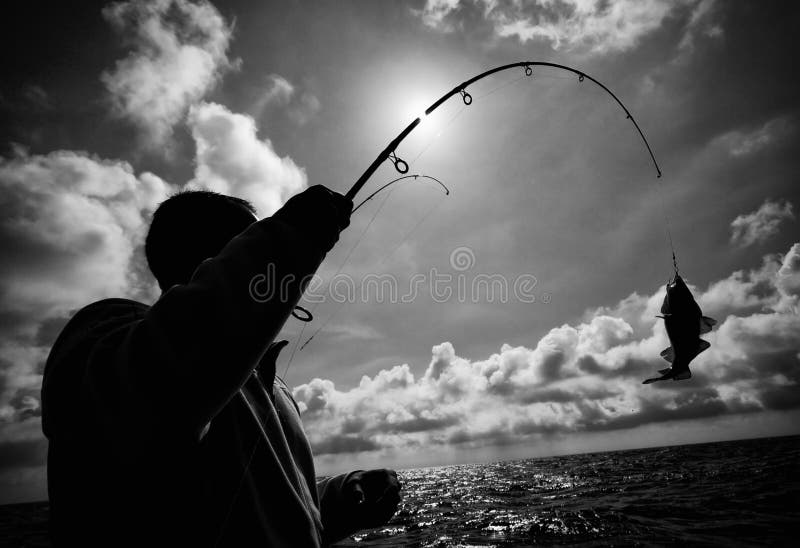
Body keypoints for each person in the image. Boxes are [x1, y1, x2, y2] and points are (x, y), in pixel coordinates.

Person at [41, 185, 401, 546]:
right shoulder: (102, 340)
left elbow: (265, 511)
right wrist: (291, 235)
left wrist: (342, 497)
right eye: (251, 240)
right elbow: (156, 394)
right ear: (218, 260)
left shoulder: (274, 388)